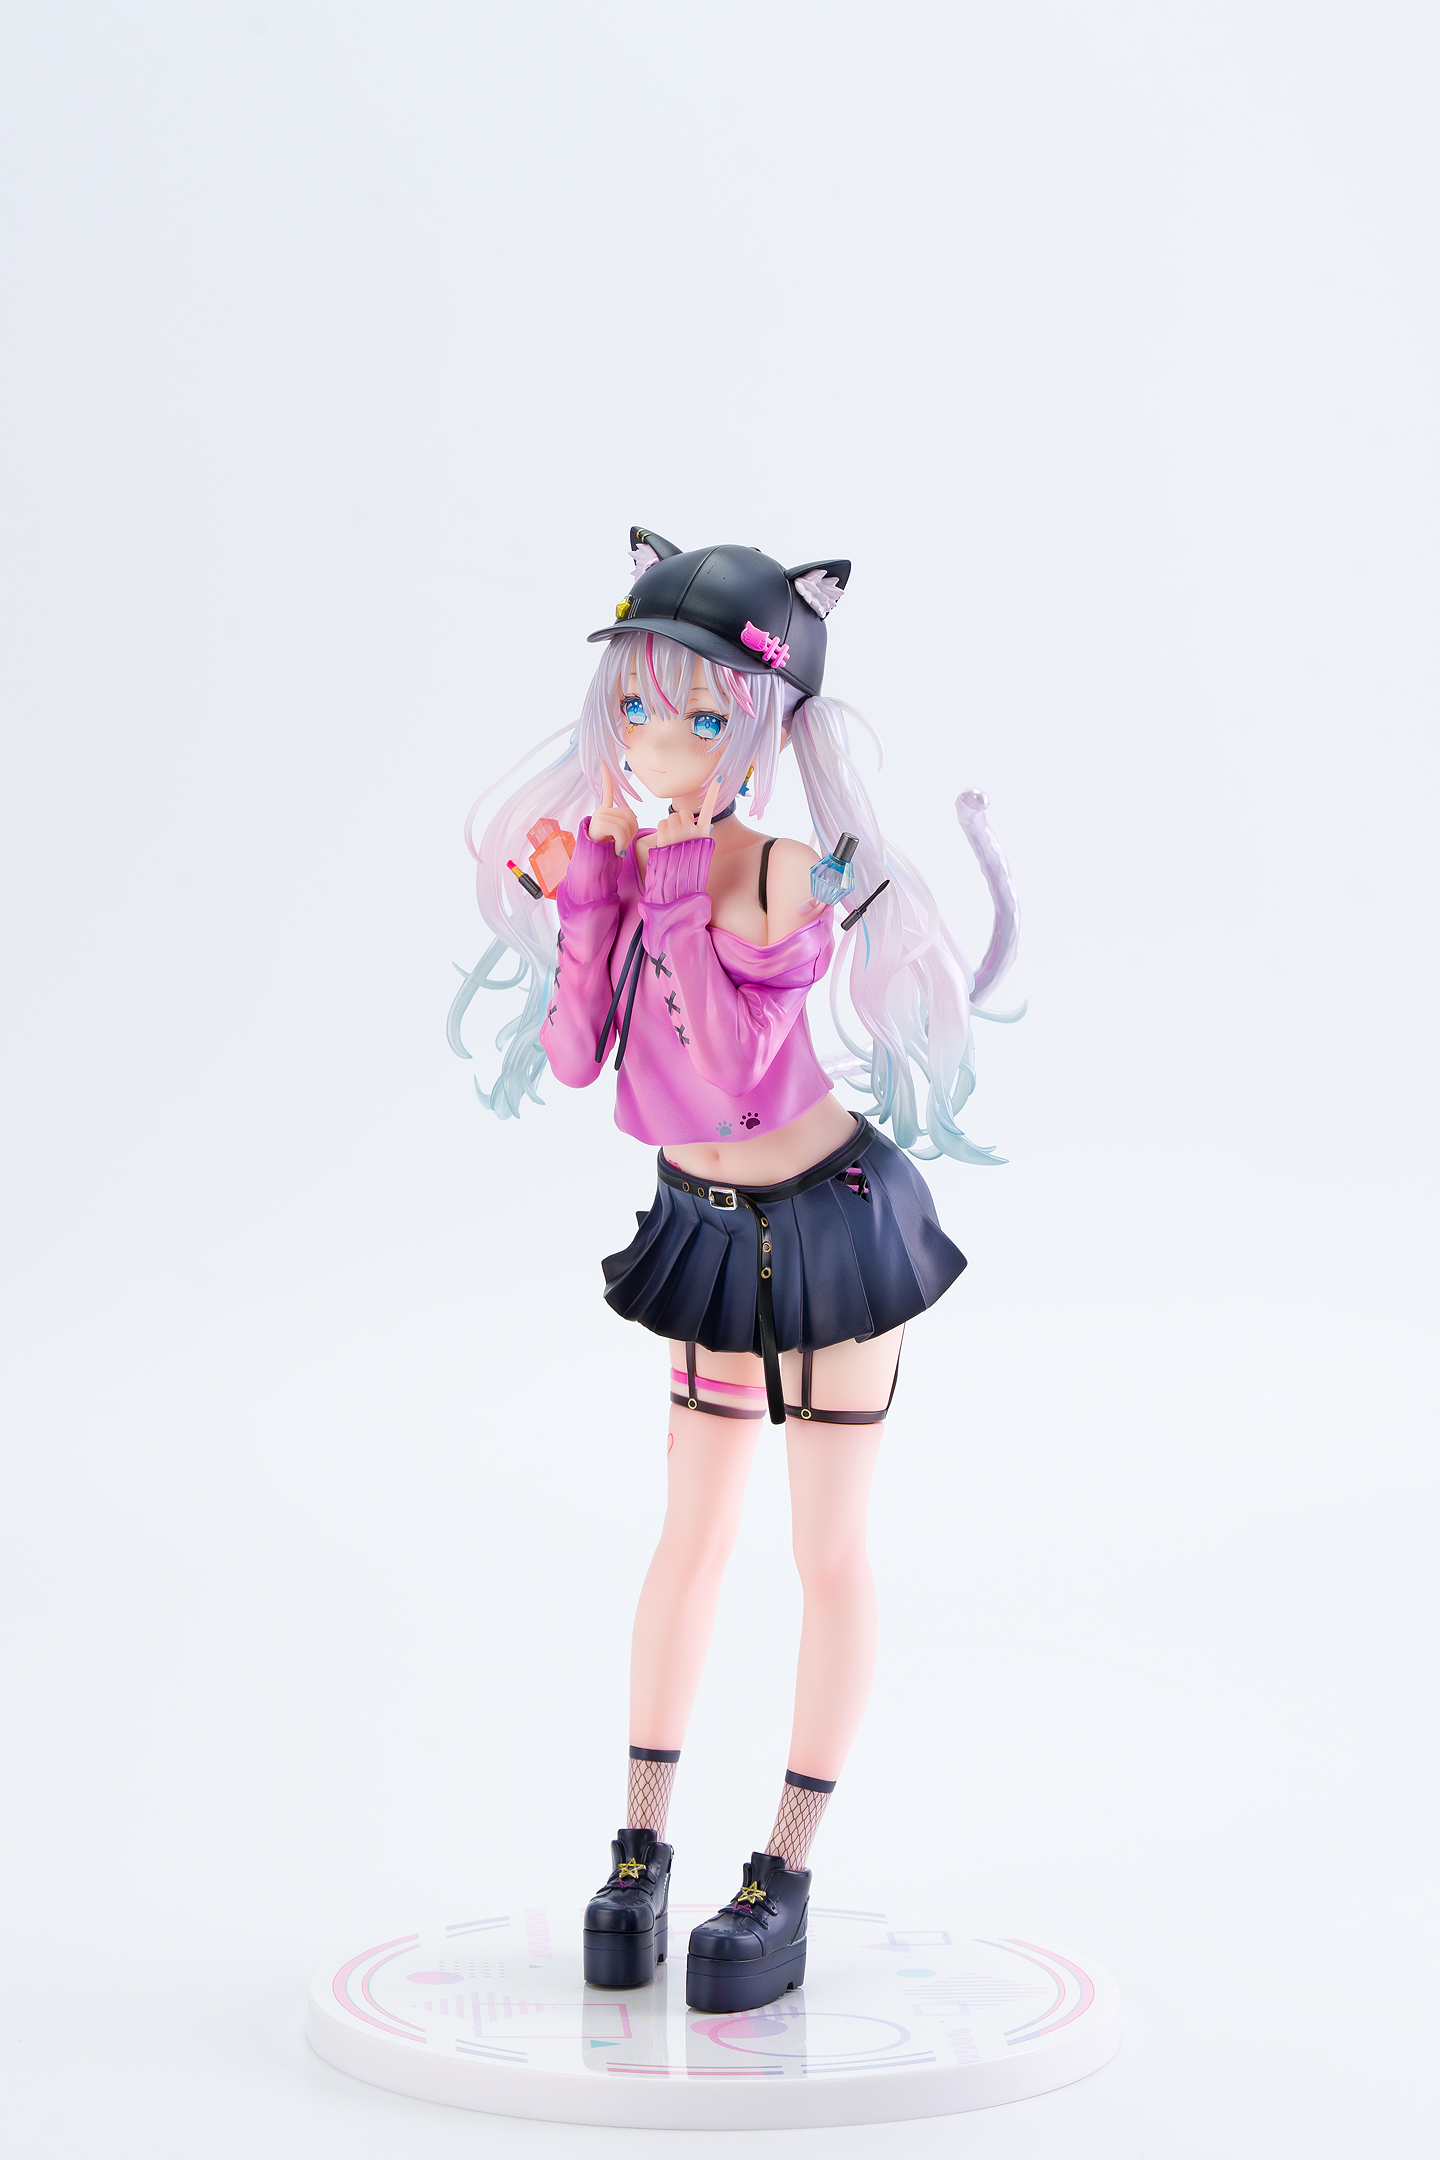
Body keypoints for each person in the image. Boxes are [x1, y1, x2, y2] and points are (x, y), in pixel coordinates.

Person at [450, 530, 1021, 2014]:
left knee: (824, 1551)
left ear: (762, 728)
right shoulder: (630, 863)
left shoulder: (772, 874)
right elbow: (581, 1062)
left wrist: (683, 893)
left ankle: (784, 1871)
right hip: (704, 1228)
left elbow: (743, 1068)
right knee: (688, 1538)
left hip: (833, 1225)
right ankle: (640, 1850)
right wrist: (587, 901)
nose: (661, 741)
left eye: (704, 715)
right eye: (640, 707)